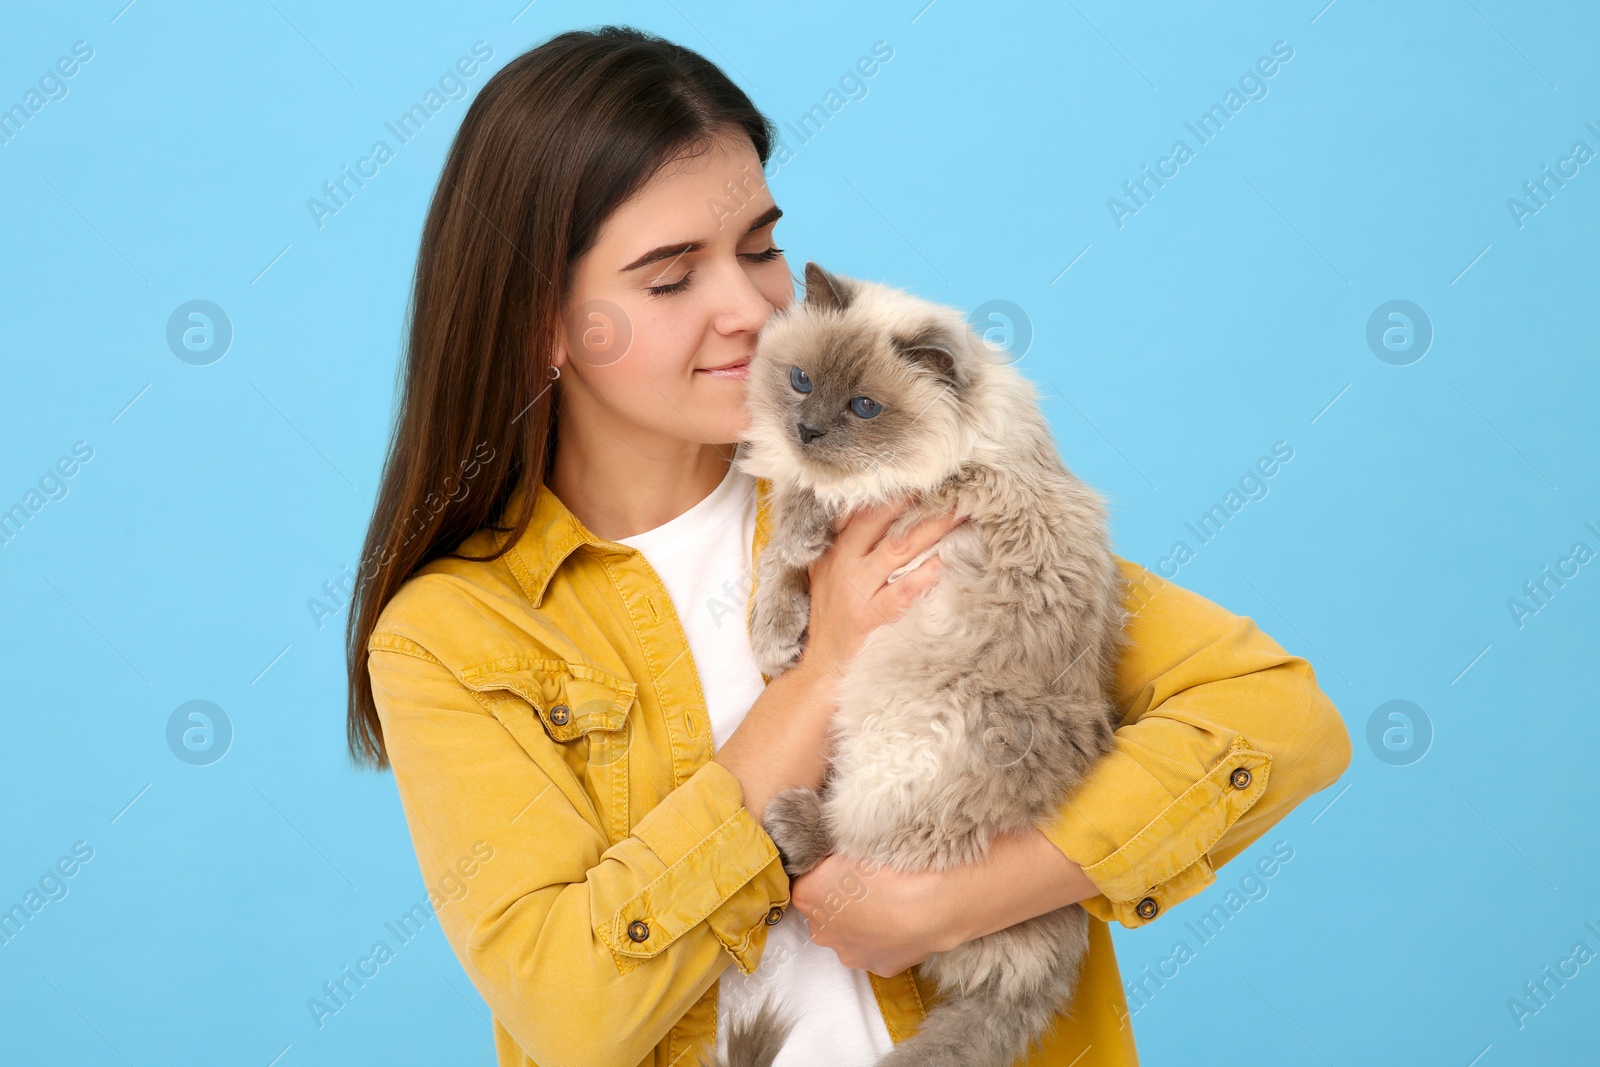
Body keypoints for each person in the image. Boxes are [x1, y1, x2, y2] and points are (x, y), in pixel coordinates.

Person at [345, 25, 1352, 1067]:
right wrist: (821, 672)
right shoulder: (454, 636)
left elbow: (1276, 717)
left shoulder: (907, 488)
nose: (748, 307)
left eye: (758, 247)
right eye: (670, 276)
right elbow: (571, 1008)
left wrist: (944, 903)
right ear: (542, 323)